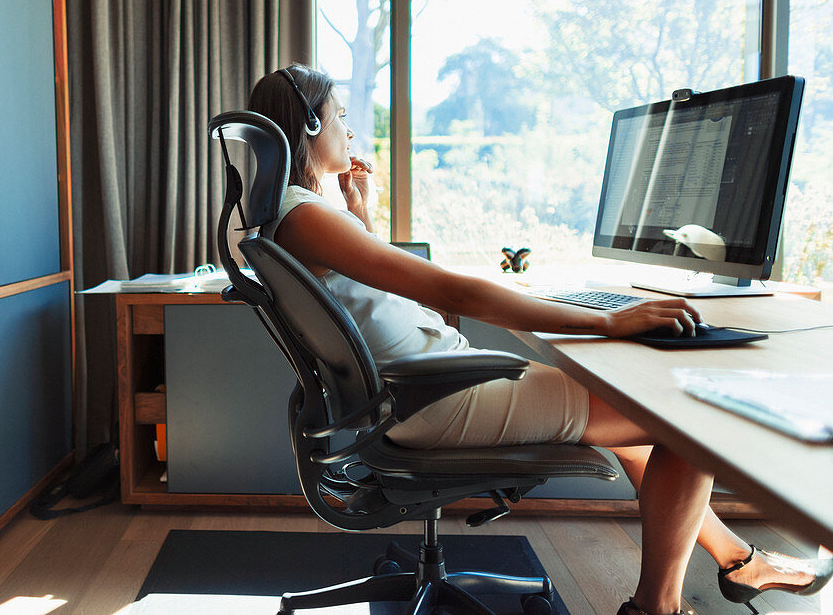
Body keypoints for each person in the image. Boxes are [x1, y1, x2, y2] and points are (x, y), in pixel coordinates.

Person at [247, 64, 832, 615]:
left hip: (420, 391)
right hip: (437, 398)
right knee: (681, 418)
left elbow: (380, 300)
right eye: (342, 114)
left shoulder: (291, 213)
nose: (352, 128)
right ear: (311, 125)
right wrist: (608, 320)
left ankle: (738, 562)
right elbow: (456, 293)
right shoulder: (306, 218)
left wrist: (364, 215)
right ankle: (656, 607)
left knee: (624, 422)